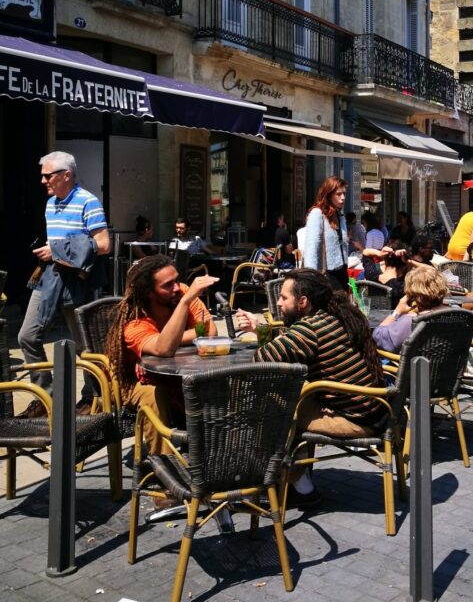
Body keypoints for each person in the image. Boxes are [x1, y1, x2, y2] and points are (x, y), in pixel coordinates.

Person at [237, 269, 385, 506]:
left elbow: (262, 360)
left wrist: (263, 332)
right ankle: (298, 482)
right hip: (375, 410)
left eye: (284, 298)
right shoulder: (334, 315)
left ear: (303, 302)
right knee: (291, 394)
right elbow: (291, 342)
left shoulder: (309, 330)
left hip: (356, 420)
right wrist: (263, 329)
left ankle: (292, 487)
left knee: (276, 406)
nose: (278, 302)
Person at [17, 151, 110, 418]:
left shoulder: (88, 202)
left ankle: (93, 398)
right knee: (27, 336)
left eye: (48, 176)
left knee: (83, 346)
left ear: (65, 175)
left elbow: (104, 245)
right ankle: (46, 397)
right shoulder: (50, 204)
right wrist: (53, 252)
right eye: (42, 176)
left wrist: (57, 250)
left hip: (76, 284)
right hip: (50, 279)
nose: (43, 181)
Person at [105, 254, 219, 455]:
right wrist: (184, 305)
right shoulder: (135, 322)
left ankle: (209, 454)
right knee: (153, 395)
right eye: (168, 285)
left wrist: (171, 338)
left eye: (177, 280)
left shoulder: (179, 292)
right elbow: (164, 349)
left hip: (177, 372)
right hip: (131, 380)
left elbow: (209, 332)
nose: (177, 287)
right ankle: (163, 464)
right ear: (150, 293)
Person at [372, 264, 449, 352]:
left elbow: (378, 337)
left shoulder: (411, 321)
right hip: (450, 364)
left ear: (412, 295)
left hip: (417, 365)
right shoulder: (456, 314)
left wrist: (397, 312)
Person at [302, 177, 350, 292]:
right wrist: (311, 278)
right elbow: (311, 248)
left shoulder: (339, 215)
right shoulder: (317, 214)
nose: (343, 197)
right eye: (338, 194)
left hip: (342, 272)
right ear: (328, 195)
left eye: (344, 193)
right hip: (326, 273)